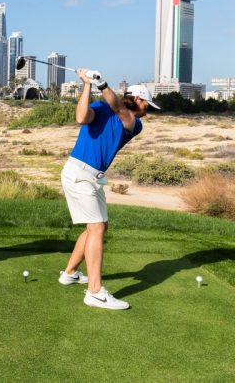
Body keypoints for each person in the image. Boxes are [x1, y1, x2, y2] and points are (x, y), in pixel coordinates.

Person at [59, 70, 159, 310]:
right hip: (78, 173)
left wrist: (101, 84)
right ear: (138, 99)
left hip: (94, 178)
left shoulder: (134, 123)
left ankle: (70, 273)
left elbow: (118, 108)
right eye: (147, 105)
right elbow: (81, 118)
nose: (148, 111)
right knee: (95, 227)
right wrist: (87, 85)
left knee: (100, 226)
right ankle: (95, 292)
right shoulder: (101, 107)